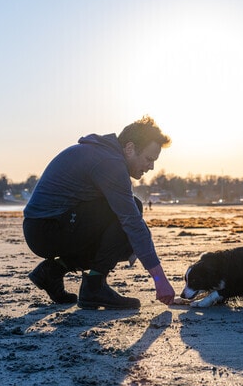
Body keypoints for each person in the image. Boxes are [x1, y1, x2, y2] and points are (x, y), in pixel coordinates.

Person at [22, 116, 175, 309]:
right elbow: (131, 221)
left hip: (43, 228)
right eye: (148, 159)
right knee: (132, 213)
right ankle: (94, 287)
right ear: (129, 148)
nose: (151, 166)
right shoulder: (110, 163)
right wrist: (159, 279)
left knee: (127, 231)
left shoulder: (103, 153)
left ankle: (52, 272)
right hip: (47, 229)